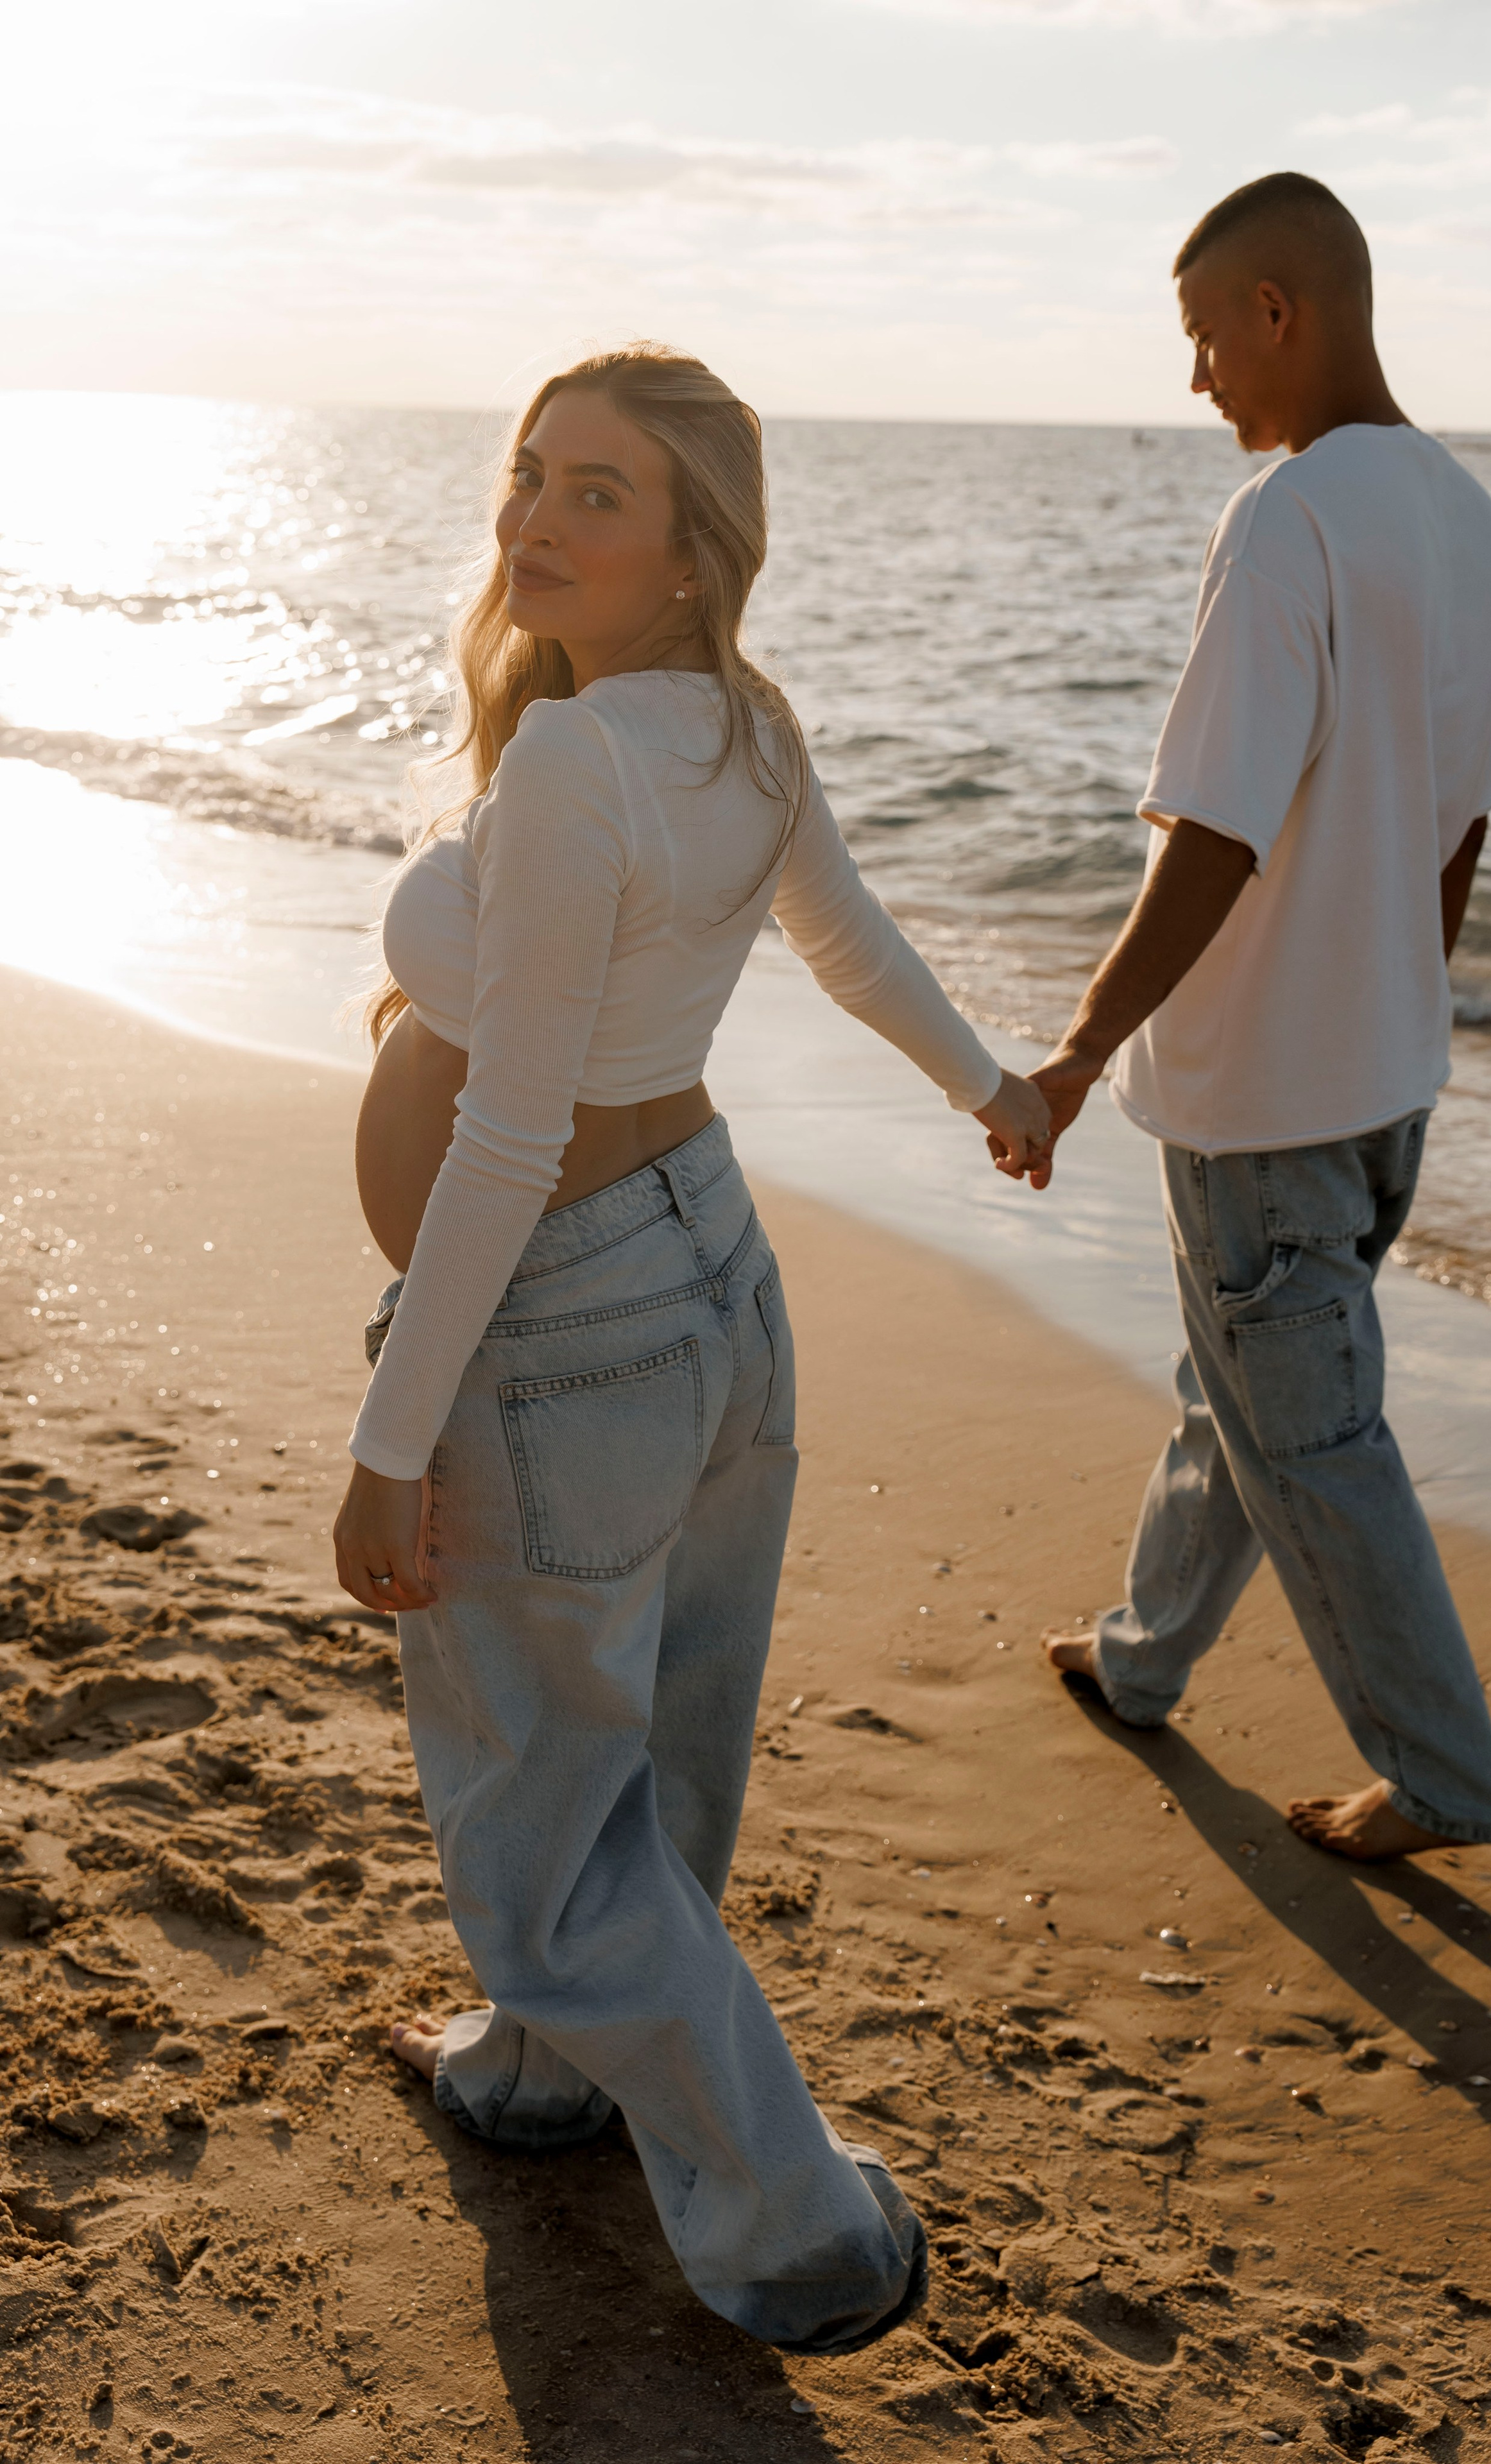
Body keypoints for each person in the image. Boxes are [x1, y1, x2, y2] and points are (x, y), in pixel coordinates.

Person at [331, 346, 1049, 2350]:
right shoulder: (741, 728)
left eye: (598, 496)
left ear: (690, 554)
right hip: (714, 1282)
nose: (535, 521)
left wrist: (392, 1439)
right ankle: (541, 2078)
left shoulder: (581, 762)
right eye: (530, 475)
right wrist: (991, 1083)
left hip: (565, 1334)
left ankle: (810, 2239)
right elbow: (852, 944)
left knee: (556, 1839)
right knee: (657, 1754)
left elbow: (508, 1133)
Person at [1027, 173, 1491, 1864]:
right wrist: (1399, 1010)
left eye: (1203, 340)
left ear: (1277, 311)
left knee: (1311, 1435)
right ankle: (1149, 1655)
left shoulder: (1294, 516)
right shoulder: (1469, 516)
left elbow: (1216, 832)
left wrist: (1083, 1046)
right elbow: (1456, 834)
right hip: (1385, 1076)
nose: (1198, 384)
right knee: (1235, 1385)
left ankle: (1444, 1779)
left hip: (1268, 1099)